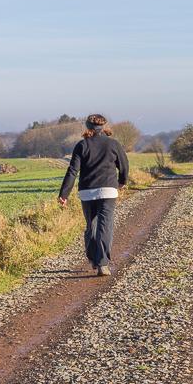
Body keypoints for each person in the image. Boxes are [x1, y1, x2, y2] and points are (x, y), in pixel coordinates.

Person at [59, 114, 129, 276]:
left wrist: (64, 193)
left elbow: (72, 171)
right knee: (105, 226)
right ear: (103, 128)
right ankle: (102, 264)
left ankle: (92, 258)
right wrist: (122, 180)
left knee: (91, 225)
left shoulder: (81, 145)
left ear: (87, 127)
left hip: (87, 191)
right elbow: (124, 165)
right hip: (108, 191)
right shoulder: (113, 144)